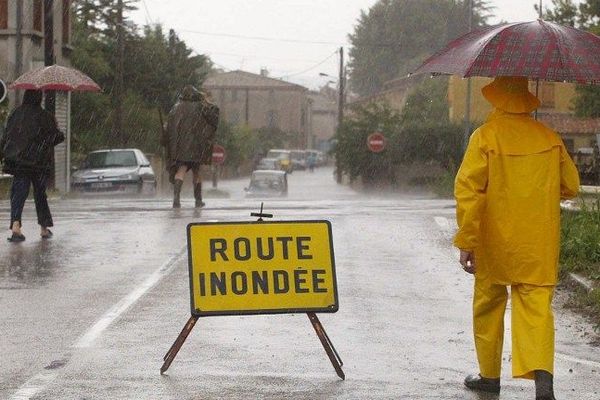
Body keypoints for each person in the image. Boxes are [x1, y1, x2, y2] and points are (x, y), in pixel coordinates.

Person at [453, 76, 580, 400]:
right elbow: (571, 185)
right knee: (536, 310)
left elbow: (469, 192)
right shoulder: (549, 138)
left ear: (496, 99)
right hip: (537, 240)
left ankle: (489, 376)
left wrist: (467, 240)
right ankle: (544, 383)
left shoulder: (485, 137)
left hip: (494, 241)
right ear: (526, 100)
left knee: (488, 306)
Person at [0, 90, 65, 242]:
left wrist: (3, 153)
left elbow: (7, 135)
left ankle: (16, 226)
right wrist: (55, 127)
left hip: (19, 162)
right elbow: (56, 137)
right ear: (39, 98)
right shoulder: (45, 116)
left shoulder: (16, 114)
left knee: (18, 193)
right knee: (40, 194)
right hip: (39, 163)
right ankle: (43, 228)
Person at [163, 85, 219, 208]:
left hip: (180, 147)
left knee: (181, 170)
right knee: (197, 172)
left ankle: (176, 199)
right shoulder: (201, 107)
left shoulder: (176, 108)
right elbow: (214, 116)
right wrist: (205, 100)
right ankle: (198, 200)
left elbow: (169, 128)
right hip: (196, 146)